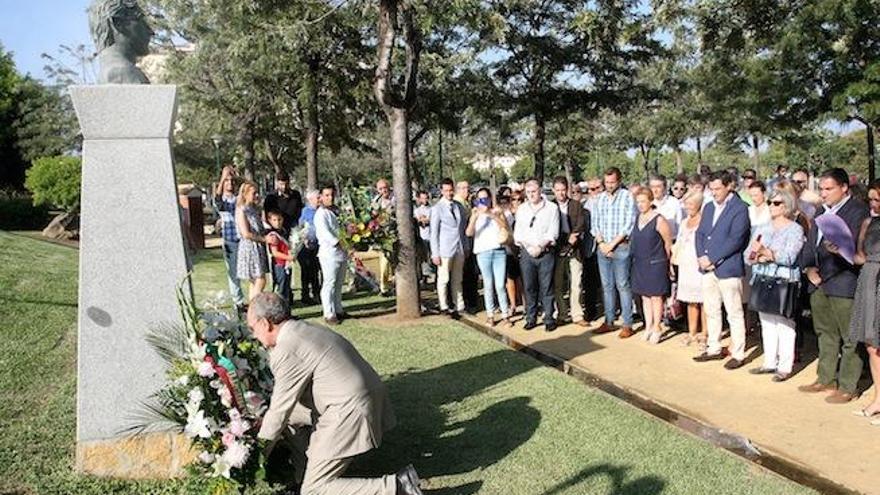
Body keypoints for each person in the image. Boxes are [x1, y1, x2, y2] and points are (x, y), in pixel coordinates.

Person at [248, 293, 423, 495]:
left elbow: (279, 410)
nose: (253, 335)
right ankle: (304, 475)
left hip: (350, 409)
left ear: (264, 323)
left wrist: (258, 456)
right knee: (292, 418)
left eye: (253, 328)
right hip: (361, 397)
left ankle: (399, 486)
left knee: (314, 490)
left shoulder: (288, 348)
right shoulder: (305, 327)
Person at [799, 168, 869, 404]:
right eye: (822, 189)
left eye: (829, 189)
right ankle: (826, 377)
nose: (824, 193)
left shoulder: (858, 212)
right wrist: (808, 268)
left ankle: (848, 385)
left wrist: (837, 257)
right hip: (818, 282)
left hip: (844, 281)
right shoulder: (820, 211)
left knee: (850, 336)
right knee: (825, 332)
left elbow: (856, 251)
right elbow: (810, 245)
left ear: (844, 188)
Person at [693, 171, 751, 369]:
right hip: (707, 267)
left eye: (718, 188)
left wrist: (713, 258)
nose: (714, 192)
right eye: (712, 188)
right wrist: (701, 256)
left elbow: (737, 239)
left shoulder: (740, 208)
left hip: (728, 267)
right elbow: (700, 234)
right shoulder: (708, 207)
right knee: (711, 309)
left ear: (729, 187)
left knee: (734, 312)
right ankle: (713, 347)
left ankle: (738, 353)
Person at [745, 190, 806, 382]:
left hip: (783, 281)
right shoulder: (762, 228)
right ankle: (769, 362)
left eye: (777, 202)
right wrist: (761, 255)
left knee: (784, 323)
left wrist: (767, 253)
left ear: (786, 206)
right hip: (762, 278)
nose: (772, 205)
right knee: (766, 322)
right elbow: (749, 255)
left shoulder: (795, 229)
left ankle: (785, 366)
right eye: (770, 202)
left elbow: (789, 257)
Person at [591, 167, 636, 338]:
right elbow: (595, 224)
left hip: (621, 247)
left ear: (619, 180)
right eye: (607, 182)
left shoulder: (627, 197)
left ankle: (627, 323)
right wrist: (602, 243)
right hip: (603, 248)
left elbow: (628, 225)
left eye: (612, 182)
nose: (609, 185)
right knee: (607, 286)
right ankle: (609, 321)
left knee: (623, 285)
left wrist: (612, 244)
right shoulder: (599, 199)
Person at [850, 181, 880, 420]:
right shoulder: (868, 223)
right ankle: (878, 399)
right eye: (870, 200)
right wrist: (839, 249)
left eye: (878, 200)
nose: (874, 204)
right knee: (872, 345)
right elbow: (860, 256)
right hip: (869, 281)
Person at [514, 178, 560, 331]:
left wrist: (540, 246)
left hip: (545, 253)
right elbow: (518, 234)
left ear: (540, 190)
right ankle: (531, 317)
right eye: (528, 192)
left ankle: (548, 318)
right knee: (529, 287)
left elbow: (553, 232)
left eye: (534, 191)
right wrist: (529, 247)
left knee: (547, 287)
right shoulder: (521, 209)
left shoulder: (552, 208)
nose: (531, 195)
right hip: (527, 253)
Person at [631, 187, 673, 344]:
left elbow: (667, 242)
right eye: (638, 202)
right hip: (640, 262)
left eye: (643, 201)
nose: (640, 205)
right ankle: (648, 326)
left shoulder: (659, 219)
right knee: (645, 296)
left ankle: (657, 327)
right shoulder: (637, 218)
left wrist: (667, 262)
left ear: (650, 201)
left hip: (656, 263)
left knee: (656, 296)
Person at [466, 188, 512, 327]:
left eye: (485, 198)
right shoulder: (475, 214)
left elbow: (505, 227)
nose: (483, 201)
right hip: (482, 252)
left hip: (498, 251)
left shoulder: (497, 211)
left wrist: (493, 215)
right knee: (488, 284)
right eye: (480, 199)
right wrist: (474, 217)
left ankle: (505, 315)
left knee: (500, 285)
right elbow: (469, 233)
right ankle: (490, 315)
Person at [551, 177, 588, 326]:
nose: (561, 193)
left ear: (567, 190)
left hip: (575, 248)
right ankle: (561, 313)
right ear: (553, 190)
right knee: (558, 284)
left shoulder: (576, 205)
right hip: (558, 248)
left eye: (563, 190)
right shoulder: (550, 206)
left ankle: (577, 315)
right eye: (558, 190)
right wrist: (565, 239)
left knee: (576, 282)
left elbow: (581, 223)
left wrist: (575, 235)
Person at [430, 178, 468, 318]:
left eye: (451, 190)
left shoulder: (458, 206)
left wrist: (466, 246)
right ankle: (444, 305)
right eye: (446, 190)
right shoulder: (437, 208)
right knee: (444, 278)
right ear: (441, 191)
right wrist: (435, 253)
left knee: (457, 278)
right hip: (445, 249)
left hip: (459, 247)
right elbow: (433, 232)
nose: (449, 193)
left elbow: (462, 228)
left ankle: (459, 304)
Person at [675, 191, 706, 348]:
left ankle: (705, 333)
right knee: (690, 300)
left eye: (691, 205)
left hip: (699, 265)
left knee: (704, 301)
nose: (688, 208)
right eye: (686, 204)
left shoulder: (705, 222)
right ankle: (692, 332)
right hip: (686, 264)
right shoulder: (684, 222)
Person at [314, 185, 347, 324]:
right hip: (329, 252)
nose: (330, 198)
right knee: (330, 282)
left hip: (341, 251)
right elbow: (325, 233)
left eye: (332, 195)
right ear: (321, 197)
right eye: (326, 195)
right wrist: (338, 241)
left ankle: (338, 309)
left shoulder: (336, 211)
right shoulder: (321, 214)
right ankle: (329, 313)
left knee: (339, 283)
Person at [214, 165, 245, 309]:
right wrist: (223, 177)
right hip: (230, 240)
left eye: (232, 181)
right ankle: (238, 302)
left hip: (243, 239)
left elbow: (250, 187)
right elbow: (218, 201)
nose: (230, 184)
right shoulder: (222, 200)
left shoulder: (239, 197)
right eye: (227, 181)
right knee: (233, 272)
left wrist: (236, 176)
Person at [235, 180, 269, 303]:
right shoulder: (241, 210)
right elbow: (246, 233)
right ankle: (255, 308)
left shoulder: (253, 209)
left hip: (258, 247)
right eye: (254, 193)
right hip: (250, 248)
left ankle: (252, 310)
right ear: (245, 194)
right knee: (260, 279)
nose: (257, 196)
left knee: (254, 281)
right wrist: (264, 239)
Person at [456, 181, 479, 311]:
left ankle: (472, 301)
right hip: (463, 244)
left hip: (471, 244)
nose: (467, 190)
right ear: (458, 189)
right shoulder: (457, 205)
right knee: (465, 274)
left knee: (471, 273)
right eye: (464, 188)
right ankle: (467, 302)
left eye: (468, 188)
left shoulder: (468, 203)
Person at [297, 190, 321, 306]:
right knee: (306, 271)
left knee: (316, 271)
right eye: (317, 198)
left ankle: (317, 294)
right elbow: (301, 227)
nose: (319, 199)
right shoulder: (305, 211)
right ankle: (305, 295)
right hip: (307, 245)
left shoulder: (322, 210)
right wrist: (304, 238)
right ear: (310, 200)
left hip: (318, 245)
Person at [503, 188, 525, 314]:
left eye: (519, 199)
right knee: (510, 278)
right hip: (510, 250)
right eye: (514, 199)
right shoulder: (507, 215)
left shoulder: (526, 213)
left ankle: (525, 302)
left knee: (524, 279)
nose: (517, 202)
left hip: (523, 249)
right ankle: (513, 304)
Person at [266, 210, 294, 304]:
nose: (277, 222)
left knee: (287, 287)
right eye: (274, 220)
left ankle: (286, 307)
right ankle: (279, 307)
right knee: (281, 288)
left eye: (279, 219)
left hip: (287, 264)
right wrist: (288, 257)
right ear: (269, 221)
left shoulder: (284, 231)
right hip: (279, 264)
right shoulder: (273, 235)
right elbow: (275, 253)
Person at [372, 178, 395, 295]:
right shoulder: (376, 201)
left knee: (396, 262)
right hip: (383, 236)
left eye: (385, 188)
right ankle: (384, 287)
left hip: (396, 232)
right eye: (380, 189)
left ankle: (396, 284)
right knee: (385, 261)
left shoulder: (395, 199)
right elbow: (372, 216)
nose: (383, 191)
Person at [649, 174, 681, 238]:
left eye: (658, 187)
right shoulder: (647, 203)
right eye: (652, 187)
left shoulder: (674, 203)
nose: (655, 190)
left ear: (665, 187)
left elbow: (679, 226)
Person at [413, 191, 433, 286]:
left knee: (431, 256)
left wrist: (425, 220)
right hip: (422, 237)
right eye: (423, 198)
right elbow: (418, 220)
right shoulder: (417, 210)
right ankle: (424, 277)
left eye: (426, 198)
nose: (425, 200)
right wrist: (423, 220)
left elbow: (430, 220)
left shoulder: (432, 209)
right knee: (424, 257)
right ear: (420, 199)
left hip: (431, 236)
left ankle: (433, 275)